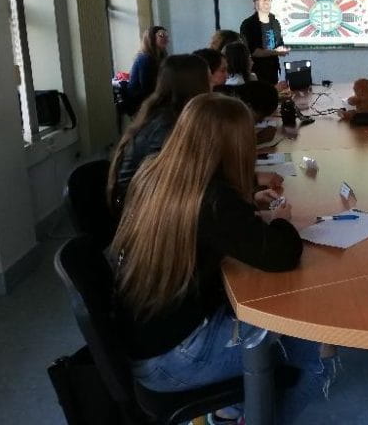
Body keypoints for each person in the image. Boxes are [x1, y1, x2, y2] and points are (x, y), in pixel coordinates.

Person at [110, 94, 336, 424]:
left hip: (149, 341)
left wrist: (250, 205)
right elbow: (282, 255)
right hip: (175, 358)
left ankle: (230, 412)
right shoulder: (214, 199)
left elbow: (211, 227)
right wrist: (282, 219)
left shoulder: (156, 173)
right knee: (316, 352)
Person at [108, 54, 211, 212]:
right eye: (208, 80)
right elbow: (173, 180)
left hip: (148, 202)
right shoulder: (166, 124)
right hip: (140, 210)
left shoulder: (163, 113)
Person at [240, 0, 289, 84]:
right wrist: (276, 52)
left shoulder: (274, 22)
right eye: (262, 0)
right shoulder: (248, 24)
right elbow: (253, 52)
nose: (266, 3)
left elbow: (279, 44)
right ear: (255, 3)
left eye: (268, 0)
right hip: (257, 72)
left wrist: (283, 49)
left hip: (273, 70)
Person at [127, 26, 169, 114]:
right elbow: (147, 87)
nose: (166, 38)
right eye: (161, 35)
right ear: (151, 38)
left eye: (166, 35)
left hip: (152, 96)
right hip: (141, 101)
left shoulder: (162, 56)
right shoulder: (145, 58)